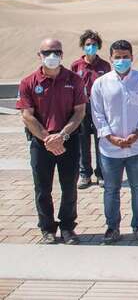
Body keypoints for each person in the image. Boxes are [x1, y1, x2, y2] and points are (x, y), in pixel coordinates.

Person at [17, 39, 87, 245]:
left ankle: (67, 227)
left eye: (56, 51)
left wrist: (62, 136)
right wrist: (47, 138)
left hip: (68, 140)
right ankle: (47, 228)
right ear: (39, 55)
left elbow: (79, 112)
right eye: (47, 52)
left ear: (62, 54)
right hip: (41, 143)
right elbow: (27, 115)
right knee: (42, 188)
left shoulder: (74, 80)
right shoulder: (29, 82)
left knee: (69, 186)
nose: (52, 56)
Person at [90, 40, 138, 244]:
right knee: (111, 190)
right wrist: (110, 137)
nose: (121, 60)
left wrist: (136, 134)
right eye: (117, 57)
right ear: (110, 59)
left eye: (125, 57)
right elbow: (97, 114)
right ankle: (112, 227)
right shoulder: (101, 84)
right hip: (110, 149)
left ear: (132, 57)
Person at [71, 29, 111, 189]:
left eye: (94, 44)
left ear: (98, 46)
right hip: (82, 108)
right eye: (88, 44)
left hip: (100, 107)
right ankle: (84, 174)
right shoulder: (76, 65)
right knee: (82, 142)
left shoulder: (105, 65)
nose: (91, 47)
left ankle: (101, 173)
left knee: (101, 141)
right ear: (83, 46)